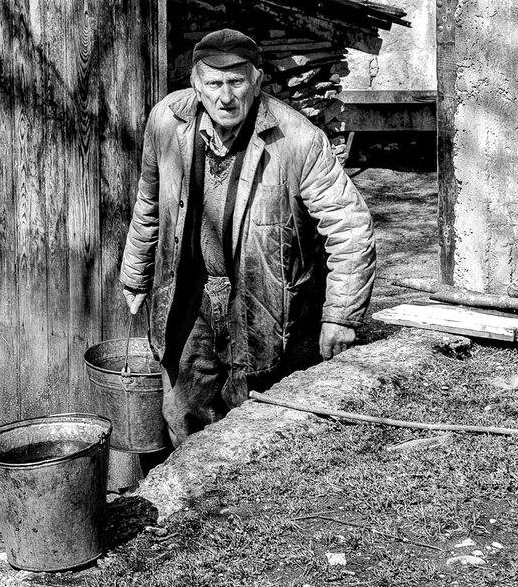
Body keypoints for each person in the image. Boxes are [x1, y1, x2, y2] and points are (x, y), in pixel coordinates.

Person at [119, 28, 375, 444]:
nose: (225, 96)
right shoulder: (166, 122)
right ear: (196, 84)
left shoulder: (297, 138)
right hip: (189, 294)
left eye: (236, 82)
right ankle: (191, 484)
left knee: (254, 417)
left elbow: (349, 224)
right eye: (214, 83)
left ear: (257, 82)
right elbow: (149, 201)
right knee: (184, 411)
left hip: (263, 298)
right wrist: (136, 274)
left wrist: (341, 316)